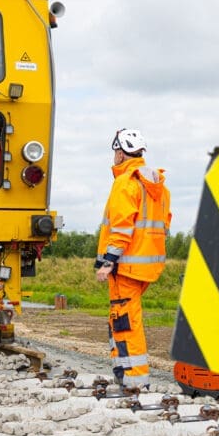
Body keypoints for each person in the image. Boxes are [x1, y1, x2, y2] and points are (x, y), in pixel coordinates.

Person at [95, 128, 171, 389]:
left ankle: (135, 380)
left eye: (115, 151)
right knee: (123, 318)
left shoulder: (126, 182)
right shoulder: (159, 186)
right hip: (147, 266)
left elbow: (121, 228)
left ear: (120, 153)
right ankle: (123, 372)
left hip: (125, 266)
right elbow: (164, 226)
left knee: (126, 322)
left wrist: (108, 262)